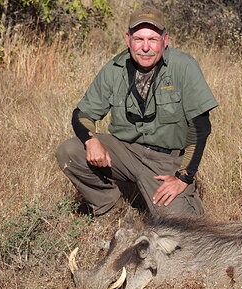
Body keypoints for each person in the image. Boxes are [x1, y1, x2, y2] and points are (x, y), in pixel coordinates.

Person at [56, 7, 218, 218]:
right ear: (128, 39)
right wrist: (91, 140)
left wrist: (182, 178)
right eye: (138, 39)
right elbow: (83, 113)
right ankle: (111, 208)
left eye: (152, 39)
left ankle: (172, 200)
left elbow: (201, 126)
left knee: (181, 228)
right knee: (69, 151)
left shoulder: (184, 66)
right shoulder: (114, 68)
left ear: (165, 40)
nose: (145, 47)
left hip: (165, 161)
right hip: (125, 151)